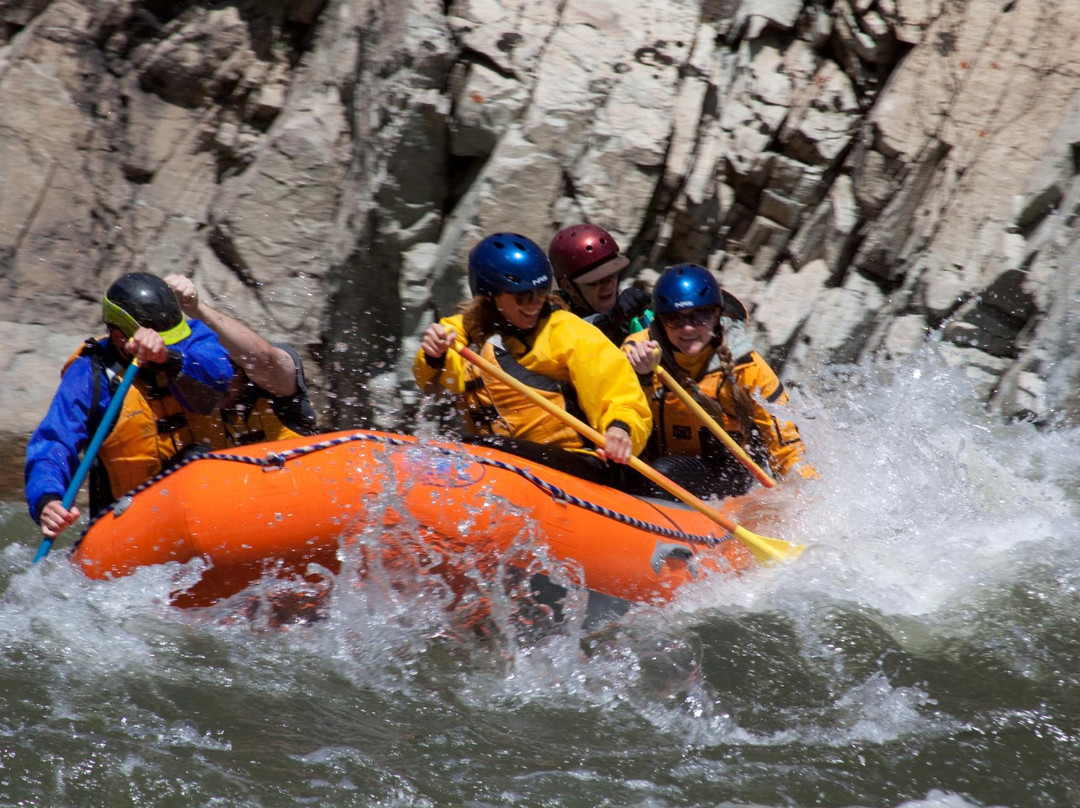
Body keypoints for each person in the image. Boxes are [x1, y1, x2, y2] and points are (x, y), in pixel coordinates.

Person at [413, 232, 652, 486]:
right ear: (490, 295)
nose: (535, 303)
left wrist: (620, 429)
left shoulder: (568, 332)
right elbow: (437, 381)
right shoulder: (468, 332)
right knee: (468, 449)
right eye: (523, 296)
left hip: (581, 464)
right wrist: (433, 355)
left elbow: (620, 393)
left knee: (479, 448)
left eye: (541, 292)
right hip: (505, 463)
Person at [25, 272, 235, 539]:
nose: (171, 342)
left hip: (210, 492)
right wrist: (48, 500)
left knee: (197, 462)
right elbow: (54, 442)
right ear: (120, 338)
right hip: (134, 520)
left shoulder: (188, 338)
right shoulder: (89, 376)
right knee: (195, 463)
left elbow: (220, 377)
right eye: (164, 340)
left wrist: (168, 357)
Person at [623, 263, 815, 500]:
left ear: (716, 314)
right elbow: (621, 407)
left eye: (699, 316)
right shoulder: (638, 351)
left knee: (665, 472)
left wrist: (806, 493)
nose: (688, 328)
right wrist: (642, 375)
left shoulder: (749, 367)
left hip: (727, 475)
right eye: (674, 319)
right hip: (651, 465)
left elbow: (786, 444)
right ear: (661, 320)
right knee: (655, 471)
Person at [164, 275, 318, 446]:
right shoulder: (191, 403)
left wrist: (194, 307)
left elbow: (263, 358)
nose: (212, 384)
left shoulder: (273, 387)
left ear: (240, 367)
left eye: (219, 372)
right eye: (202, 374)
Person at [547, 223, 653, 345]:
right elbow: (564, 340)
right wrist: (608, 320)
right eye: (595, 280)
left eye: (612, 274)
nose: (608, 284)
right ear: (568, 287)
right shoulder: (551, 320)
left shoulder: (634, 317)